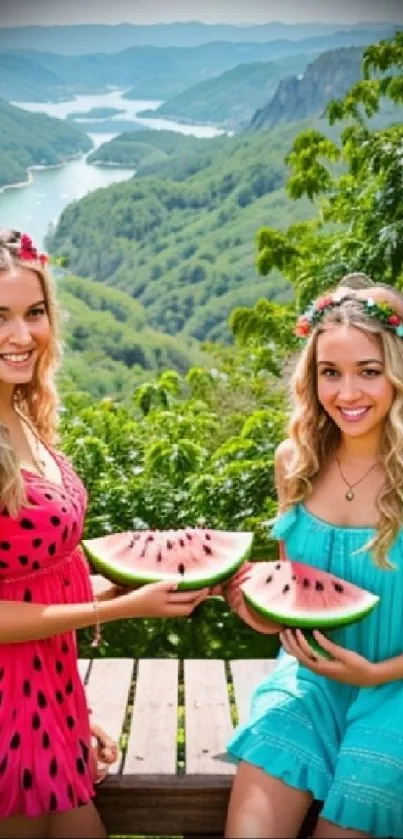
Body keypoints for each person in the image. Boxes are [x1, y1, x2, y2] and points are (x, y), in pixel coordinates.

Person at [0, 229, 209, 839]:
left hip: (48, 695)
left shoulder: (20, 412)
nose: (21, 335)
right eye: (0, 317)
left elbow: (35, 579)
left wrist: (125, 591)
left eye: (34, 313)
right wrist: (117, 608)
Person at [224, 287, 403, 839]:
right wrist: (263, 611)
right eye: (330, 372)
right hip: (308, 682)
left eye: (368, 371)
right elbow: (296, 590)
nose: (347, 393)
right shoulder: (294, 462)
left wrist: (376, 673)